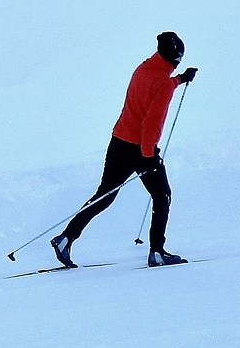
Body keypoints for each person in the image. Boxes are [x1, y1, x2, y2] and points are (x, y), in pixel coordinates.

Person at [51, 31, 197, 268]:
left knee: (104, 195)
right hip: (141, 149)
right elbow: (152, 122)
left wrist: (179, 80)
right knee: (162, 196)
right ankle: (157, 252)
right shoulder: (162, 83)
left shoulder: (142, 69)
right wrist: (149, 157)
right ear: (174, 58)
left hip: (118, 141)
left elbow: (156, 86)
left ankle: (66, 238)